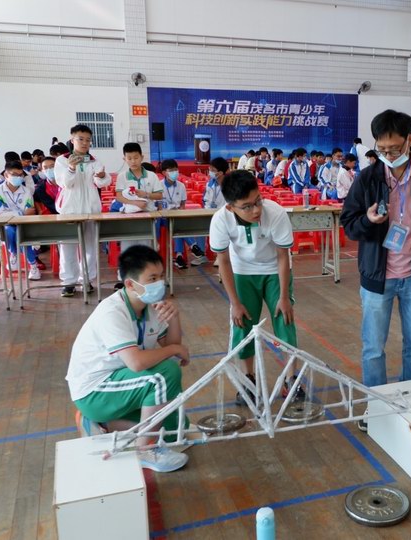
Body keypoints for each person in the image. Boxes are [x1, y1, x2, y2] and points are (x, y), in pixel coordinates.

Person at [339, 109, 411, 432]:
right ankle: (377, 408)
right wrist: (368, 221)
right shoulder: (369, 177)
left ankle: (409, 404)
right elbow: (348, 223)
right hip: (377, 279)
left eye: (394, 148)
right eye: (382, 149)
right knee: (373, 349)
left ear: (410, 141)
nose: (388, 155)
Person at [66, 245, 191, 473]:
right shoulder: (112, 311)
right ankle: (144, 451)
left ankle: (102, 424)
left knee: (177, 426)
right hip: (94, 390)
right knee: (165, 375)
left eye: (161, 276)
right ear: (130, 284)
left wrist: (174, 318)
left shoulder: (150, 307)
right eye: (152, 278)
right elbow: (137, 362)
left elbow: (172, 347)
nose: (159, 283)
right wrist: (174, 348)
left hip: (121, 384)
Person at [209, 170, 303, 404]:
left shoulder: (276, 213)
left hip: (274, 270)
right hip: (242, 273)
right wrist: (235, 303)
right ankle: (248, 380)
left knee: (285, 320)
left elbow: (283, 256)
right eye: (247, 206)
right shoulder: (221, 220)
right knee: (242, 325)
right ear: (231, 207)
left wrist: (283, 296)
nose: (256, 210)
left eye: (258, 201)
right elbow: (224, 261)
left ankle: (291, 380)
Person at [54, 124, 110, 298]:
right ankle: (69, 282)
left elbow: (103, 183)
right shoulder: (62, 160)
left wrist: (102, 177)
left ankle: (87, 280)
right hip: (69, 210)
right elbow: (64, 183)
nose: (85, 143)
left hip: (91, 210)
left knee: (90, 247)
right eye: (81, 139)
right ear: (72, 140)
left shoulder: (94, 160)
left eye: (88, 140)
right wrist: (71, 168)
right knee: (68, 246)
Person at [0, 161, 41, 280]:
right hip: (7, 224)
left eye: (20, 175)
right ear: (6, 175)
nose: (18, 177)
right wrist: (20, 213)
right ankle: (20, 258)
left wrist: (14, 214)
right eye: (14, 174)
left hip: (23, 224)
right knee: (10, 230)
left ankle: (31, 265)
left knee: (21, 233)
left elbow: (30, 212)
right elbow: (0, 214)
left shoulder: (26, 192)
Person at [159, 159, 207, 268]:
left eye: (176, 170)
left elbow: (182, 205)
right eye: (171, 170)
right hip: (163, 216)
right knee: (176, 225)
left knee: (177, 224)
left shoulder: (181, 186)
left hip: (177, 215)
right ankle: (193, 245)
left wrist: (178, 212)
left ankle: (179, 256)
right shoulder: (159, 186)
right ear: (164, 173)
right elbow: (159, 206)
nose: (174, 172)